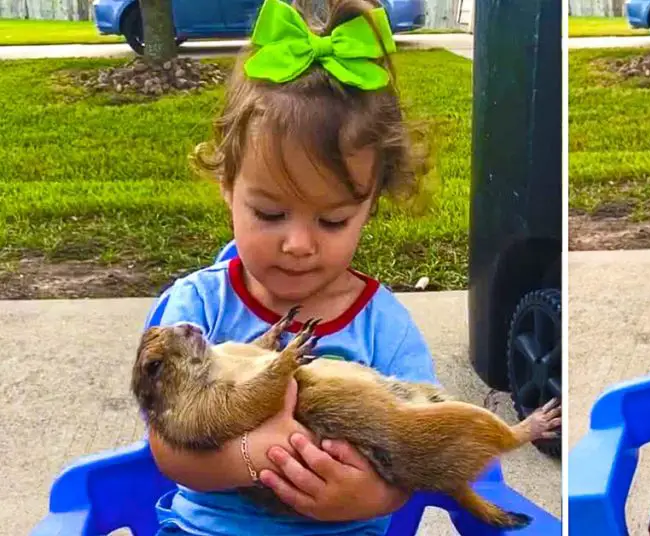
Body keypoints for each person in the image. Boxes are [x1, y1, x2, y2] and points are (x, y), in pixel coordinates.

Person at [145, 0, 436, 533]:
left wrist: (367, 496)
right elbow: (168, 450)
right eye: (271, 213)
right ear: (227, 185)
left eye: (332, 221)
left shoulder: (383, 328)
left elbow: (423, 445)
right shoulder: (196, 312)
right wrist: (252, 459)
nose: (298, 244)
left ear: (370, 206)